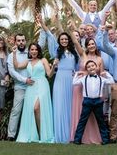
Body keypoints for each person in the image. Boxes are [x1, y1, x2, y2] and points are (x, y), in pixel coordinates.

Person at [38, 15, 78, 143]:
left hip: (71, 81)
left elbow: (78, 67)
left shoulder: (74, 53)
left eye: (66, 39)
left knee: (71, 107)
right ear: (59, 41)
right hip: (60, 80)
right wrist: (43, 23)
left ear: (69, 40)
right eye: (62, 39)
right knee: (60, 107)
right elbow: (49, 34)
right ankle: (60, 135)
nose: (64, 41)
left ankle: (71, 135)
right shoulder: (56, 51)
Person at [68, 21, 103, 144]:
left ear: (96, 45)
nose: (91, 46)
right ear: (87, 46)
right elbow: (76, 42)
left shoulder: (99, 59)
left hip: (94, 90)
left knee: (95, 117)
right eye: (89, 44)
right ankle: (78, 137)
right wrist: (71, 29)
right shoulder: (83, 55)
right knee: (81, 114)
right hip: (80, 89)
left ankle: (93, 136)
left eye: (93, 44)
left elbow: (102, 75)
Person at [14, 43, 54, 143]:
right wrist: (14, 53)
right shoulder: (28, 61)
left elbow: (49, 74)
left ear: (38, 50)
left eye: (36, 49)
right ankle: (35, 134)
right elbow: (17, 66)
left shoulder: (43, 60)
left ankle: (42, 135)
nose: (34, 51)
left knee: (36, 108)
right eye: (32, 49)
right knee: (31, 110)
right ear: (29, 51)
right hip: (31, 87)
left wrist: (53, 66)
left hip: (42, 86)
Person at [72, 60, 113, 145]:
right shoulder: (83, 79)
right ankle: (77, 140)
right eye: (89, 67)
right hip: (87, 101)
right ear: (87, 69)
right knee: (82, 121)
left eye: (93, 66)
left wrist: (106, 74)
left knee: (101, 121)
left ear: (96, 67)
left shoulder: (102, 79)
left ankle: (105, 139)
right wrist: (77, 74)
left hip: (98, 101)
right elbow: (74, 83)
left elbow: (112, 81)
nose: (91, 68)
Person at [6, 33, 32, 141]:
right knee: (16, 111)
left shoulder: (31, 53)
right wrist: (24, 79)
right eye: (19, 40)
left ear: (25, 41)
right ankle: (11, 135)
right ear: (15, 42)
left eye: (23, 40)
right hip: (20, 87)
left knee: (31, 110)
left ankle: (30, 135)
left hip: (32, 86)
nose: (21, 42)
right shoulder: (12, 55)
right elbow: (12, 72)